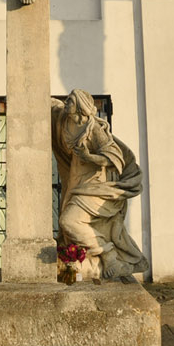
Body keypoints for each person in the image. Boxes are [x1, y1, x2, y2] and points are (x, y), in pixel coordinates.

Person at [50, 89, 148, 281]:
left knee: (69, 222)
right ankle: (81, 261)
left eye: (71, 101)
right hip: (77, 181)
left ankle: (109, 256)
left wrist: (89, 157)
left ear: (80, 106)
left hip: (96, 185)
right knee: (69, 225)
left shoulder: (93, 128)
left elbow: (113, 157)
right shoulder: (64, 121)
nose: (67, 102)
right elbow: (51, 107)